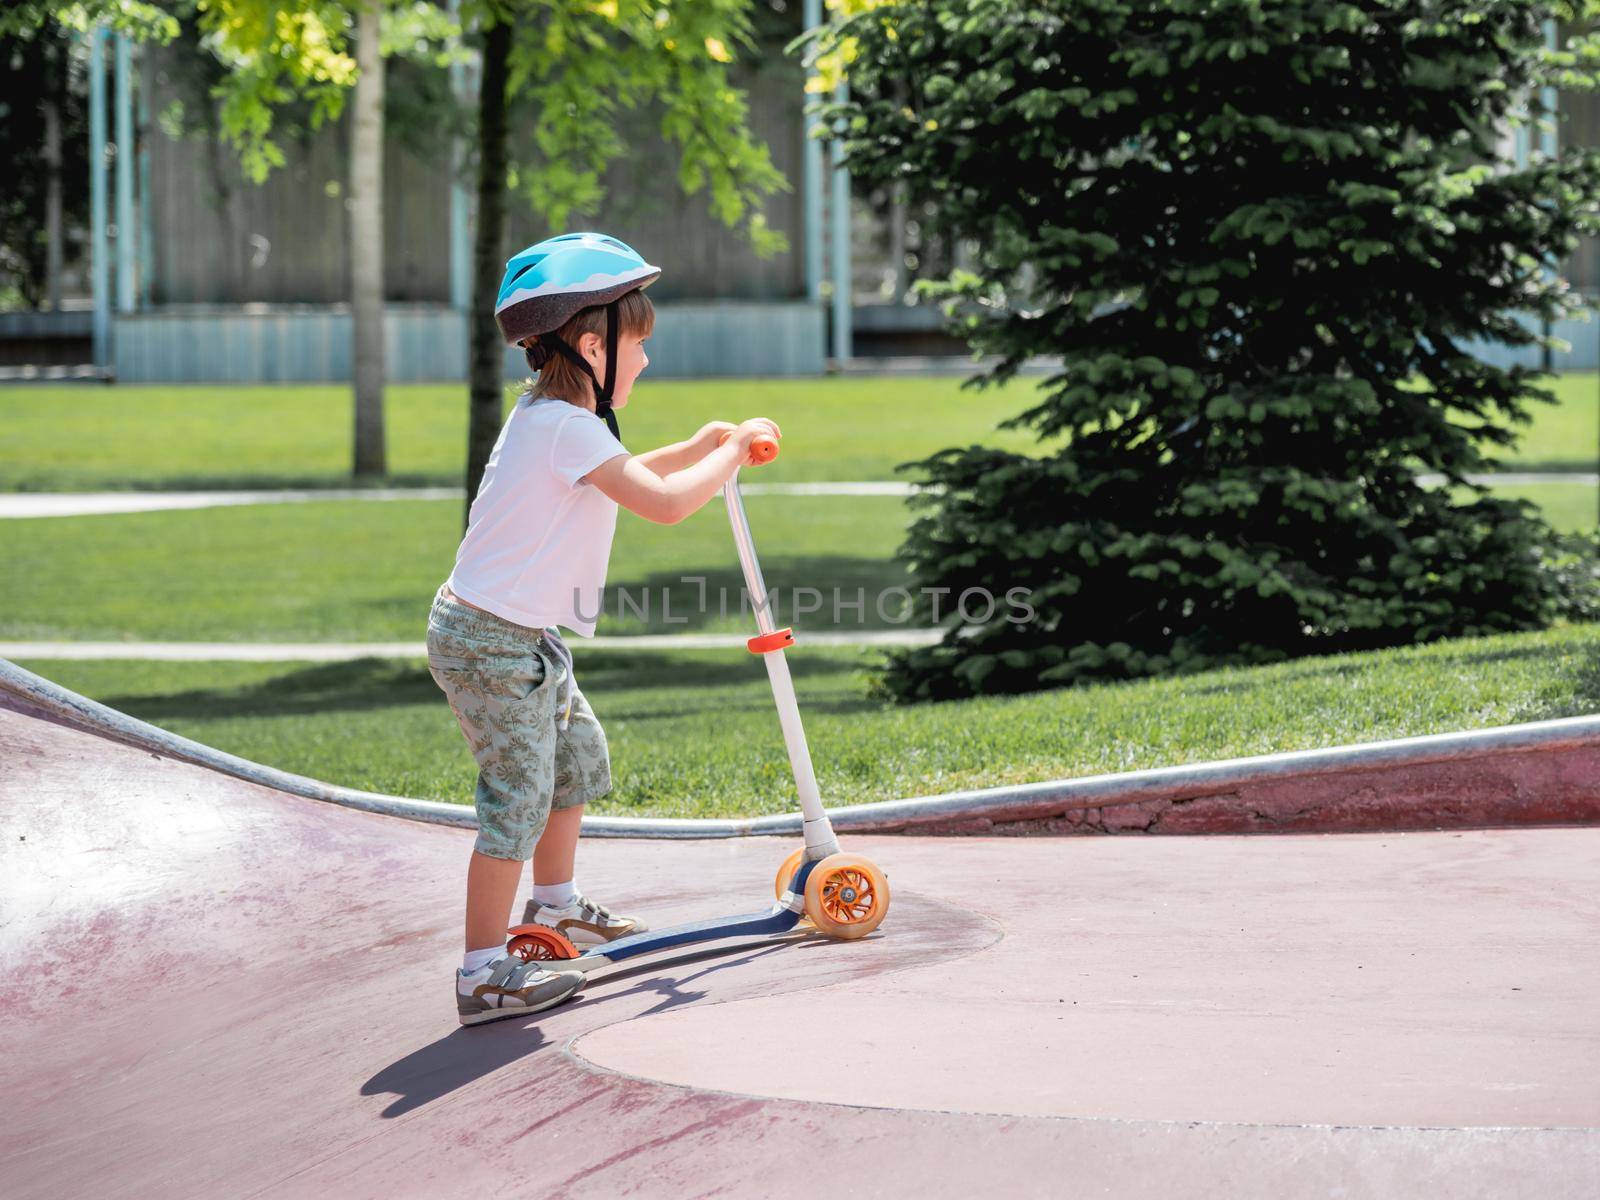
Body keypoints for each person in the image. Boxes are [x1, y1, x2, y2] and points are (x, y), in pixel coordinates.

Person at [429, 231, 781, 1026]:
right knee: (516, 798)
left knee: (575, 761)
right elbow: (662, 504)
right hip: (490, 640)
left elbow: (618, 478)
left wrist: (697, 445)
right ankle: (482, 973)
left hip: (517, 635)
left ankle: (553, 909)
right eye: (639, 343)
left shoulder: (560, 420)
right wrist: (730, 456)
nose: (647, 360)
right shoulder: (565, 426)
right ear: (592, 345)